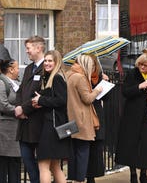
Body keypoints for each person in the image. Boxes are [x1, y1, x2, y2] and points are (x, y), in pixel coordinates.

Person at [115, 53, 147, 183]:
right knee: (132, 145)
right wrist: (139, 86)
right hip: (132, 116)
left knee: (146, 146)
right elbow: (125, 92)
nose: (142, 67)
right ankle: (133, 174)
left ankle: (144, 174)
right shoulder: (132, 74)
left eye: (145, 65)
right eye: (140, 64)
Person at [31, 50, 69, 183]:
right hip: (53, 126)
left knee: (43, 166)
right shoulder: (49, 77)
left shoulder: (57, 78)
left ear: (56, 62)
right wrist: (39, 102)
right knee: (55, 166)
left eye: (50, 61)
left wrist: (41, 100)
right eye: (45, 61)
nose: (46, 63)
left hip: (51, 127)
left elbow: (61, 100)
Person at [66, 55, 103, 183]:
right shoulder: (80, 77)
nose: (93, 69)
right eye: (92, 66)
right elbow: (87, 99)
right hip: (81, 119)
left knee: (74, 152)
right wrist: (97, 90)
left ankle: (73, 178)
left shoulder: (69, 75)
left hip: (71, 119)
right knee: (83, 153)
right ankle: (80, 179)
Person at [15, 36, 46, 183]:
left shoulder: (46, 68)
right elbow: (20, 91)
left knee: (42, 164)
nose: (26, 51)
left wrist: (23, 109)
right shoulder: (28, 68)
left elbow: (40, 93)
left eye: (29, 48)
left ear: (39, 48)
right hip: (24, 124)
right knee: (27, 161)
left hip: (39, 123)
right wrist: (18, 108)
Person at [0, 58, 21, 183]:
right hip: (1, 129)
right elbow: (2, 104)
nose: (18, 70)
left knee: (14, 161)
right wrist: (18, 110)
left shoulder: (16, 83)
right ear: (11, 69)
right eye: (17, 68)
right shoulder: (0, 83)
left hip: (13, 129)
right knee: (1, 162)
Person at [85, 54, 108, 183]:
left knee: (96, 146)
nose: (91, 67)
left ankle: (92, 176)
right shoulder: (82, 78)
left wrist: (104, 83)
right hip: (86, 113)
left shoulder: (99, 77)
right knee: (86, 146)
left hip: (97, 114)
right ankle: (87, 175)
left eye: (93, 64)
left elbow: (107, 98)